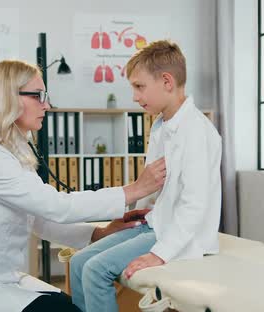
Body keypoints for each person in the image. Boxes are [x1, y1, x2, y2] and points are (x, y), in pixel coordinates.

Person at [0, 60, 167, 312]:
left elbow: (39, 220)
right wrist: (135, 189)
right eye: (38, 96)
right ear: (8, 97)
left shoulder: (12, 151)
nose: (47, 105)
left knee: (69, 306)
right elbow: (55, 206)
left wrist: (99, 234)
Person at [69, 40, 222, 312]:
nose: (135, 97)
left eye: (139, 87)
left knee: (95, 270)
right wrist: (140, 214)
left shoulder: (196, 130)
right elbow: (155, 186)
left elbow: (195, 205)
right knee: (78, 262)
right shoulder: (163, 124)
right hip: (155, 223)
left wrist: (158, 254)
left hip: (177, 233)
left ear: (166, 81)